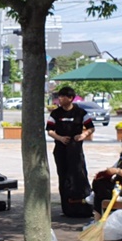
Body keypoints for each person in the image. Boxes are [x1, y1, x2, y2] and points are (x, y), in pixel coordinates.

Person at [46, 86, 95, 218]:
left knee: (79, 175)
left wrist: (83, 135)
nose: (60, 99)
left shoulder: (81, 113)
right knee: (64, 177)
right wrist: (60, 138)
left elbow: (91, 128)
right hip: (61, 150)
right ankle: (67, 208)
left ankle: (84, 206)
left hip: (76, 150)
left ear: (70, 98)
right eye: (59, 97)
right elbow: (50, 130)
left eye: (63, 97)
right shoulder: (55, 114)